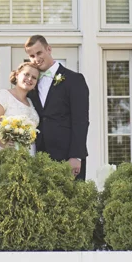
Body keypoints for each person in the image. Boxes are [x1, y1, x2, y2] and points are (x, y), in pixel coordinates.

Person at [24, 34, 89, 179]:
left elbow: (81, 120)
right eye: (32, 56)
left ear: (49, 49)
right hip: (38, 158)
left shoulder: (74, 79)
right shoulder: (31, 83)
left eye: (39, 53)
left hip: (67, 156)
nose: (36, 59)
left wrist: (76, 156)